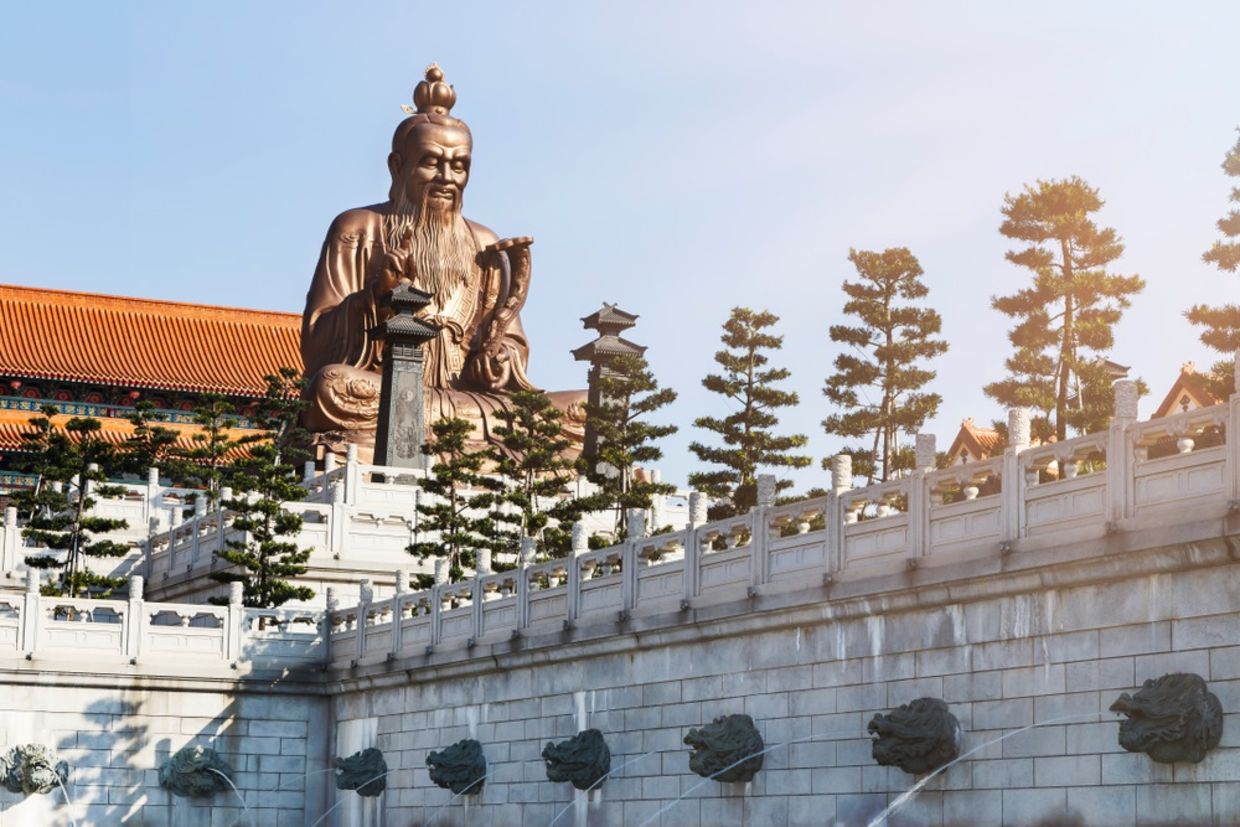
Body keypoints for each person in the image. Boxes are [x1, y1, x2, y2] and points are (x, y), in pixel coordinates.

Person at [301, 65, 583, 460]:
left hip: (471, 401)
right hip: (383, 391)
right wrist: (376, 297)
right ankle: (445, 444)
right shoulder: (359, 229)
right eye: (431, 162)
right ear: (397, 166)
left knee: (587, 410)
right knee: (331, 387)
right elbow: (317, 343)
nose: (446, 177)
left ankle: (428, 439)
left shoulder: (484, 243)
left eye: (459, 165)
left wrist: (499, 360)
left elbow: (512, 342)